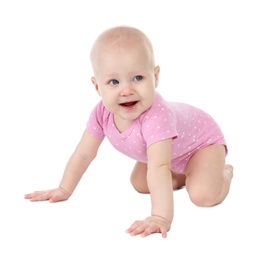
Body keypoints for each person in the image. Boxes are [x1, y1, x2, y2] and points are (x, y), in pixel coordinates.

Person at [24, 25, 234, 238]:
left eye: (138, 78)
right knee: (141, 184)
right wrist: (64, 189)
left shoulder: (157, 116)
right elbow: (83, 154)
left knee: (203, 195)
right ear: (97, 87)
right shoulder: (101, 113)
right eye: (114, 82)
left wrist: (160, 217)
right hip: (170, 155)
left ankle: (223, 173)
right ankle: (188, 175)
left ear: (155, 76)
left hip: (202, 145)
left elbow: (160, 166)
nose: (127, 90)